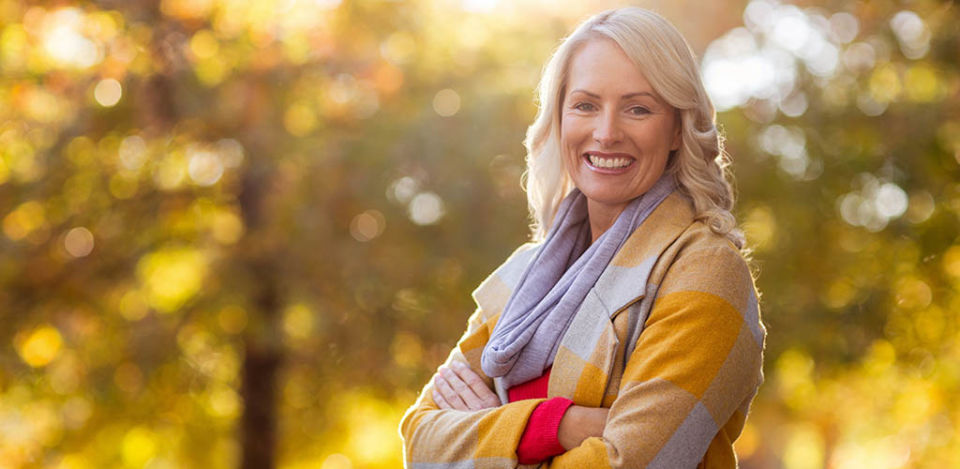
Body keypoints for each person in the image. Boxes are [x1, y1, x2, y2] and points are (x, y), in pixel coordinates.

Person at [399, 7, 766, 468]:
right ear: (559, 118)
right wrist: (562, 426)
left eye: (638, 108)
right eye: (585, 105)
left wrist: (490, 432)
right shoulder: (526, 278)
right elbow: (420, 441)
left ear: (677, 129)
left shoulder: (705, 272)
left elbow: (628, 463)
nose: (606, 133)